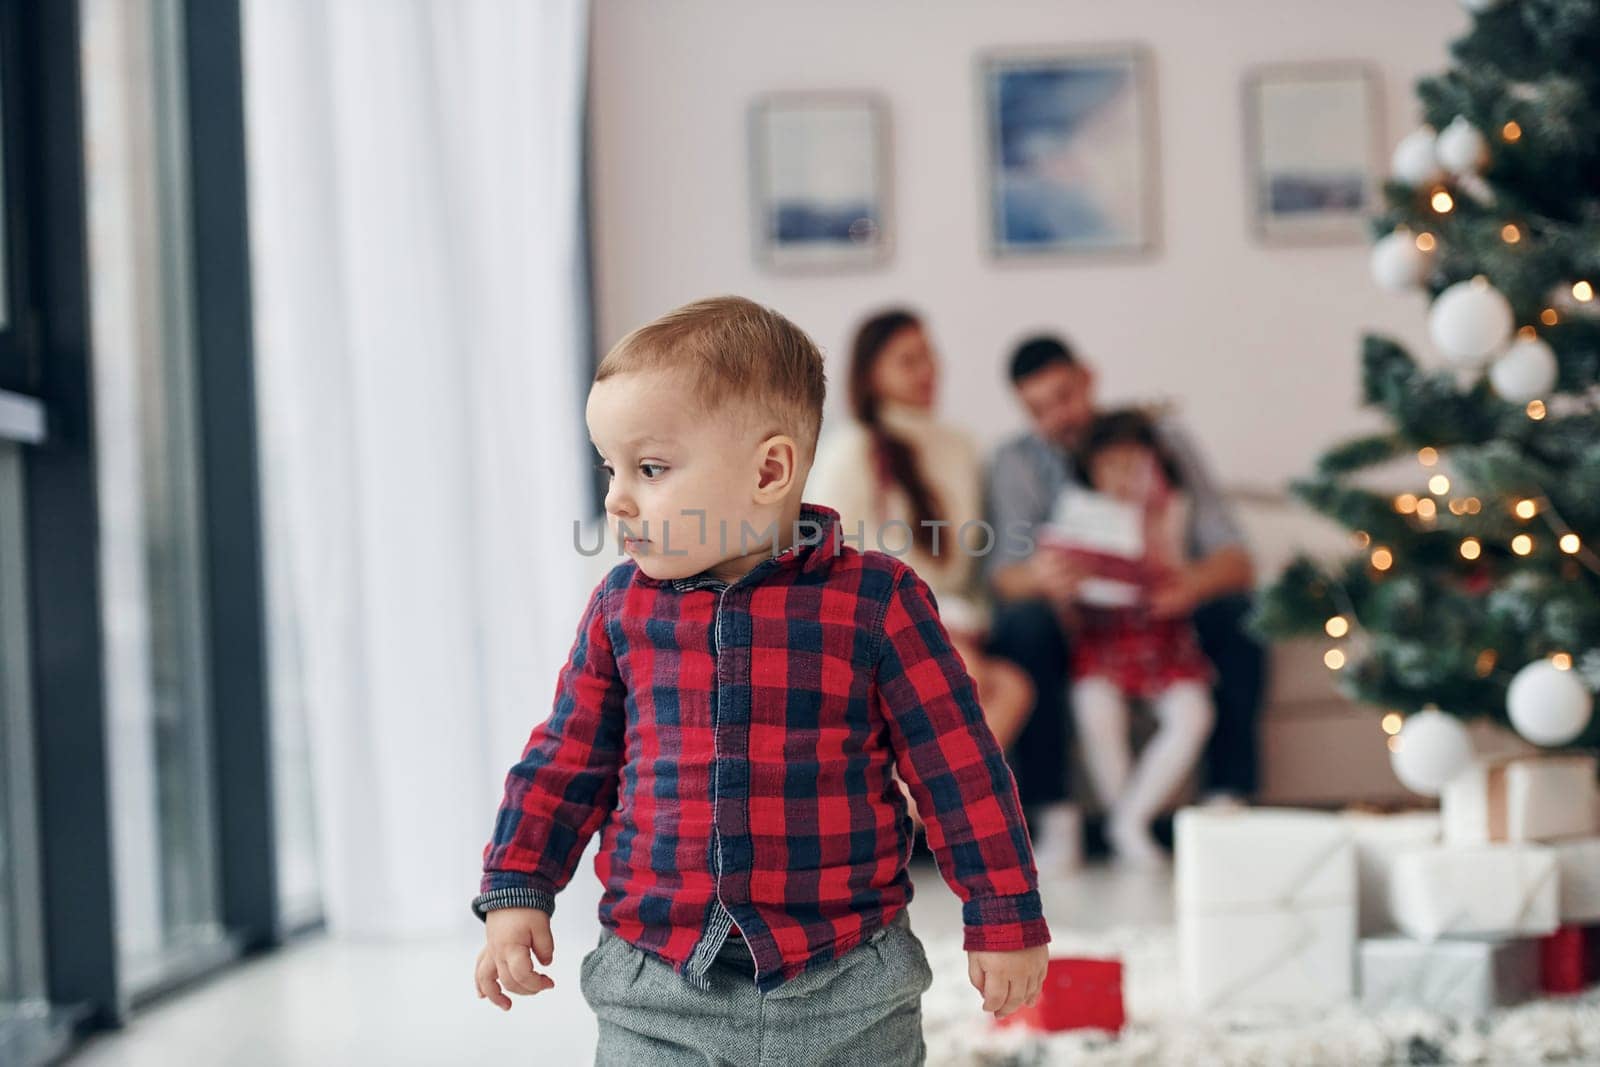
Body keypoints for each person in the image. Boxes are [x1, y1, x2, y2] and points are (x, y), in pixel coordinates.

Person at [471, 296, 1049, 1064]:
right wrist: (517, 884)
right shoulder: (619, 608)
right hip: (656, 987)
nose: (615, 497)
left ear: (769, 469)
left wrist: (1003, 916)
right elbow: (565, 761)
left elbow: (960, 772)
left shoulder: (877, 602)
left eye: (649, 468)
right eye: (610, 468)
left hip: (849, 987)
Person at [985, 335, 1265, 869]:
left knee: (1239, 612)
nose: (1057, 418)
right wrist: (1043, 577)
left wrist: (1190, 583)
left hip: (1165, 618)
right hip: (1080, 627)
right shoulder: (1016, 462)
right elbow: (1003, 578)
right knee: (1024, 624)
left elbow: (1234, 555)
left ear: (1089, 379)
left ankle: (1226, 802)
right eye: (1038, 409)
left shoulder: (1161, 444)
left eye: (1064, 396)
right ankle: (1056, 814)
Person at [807, 308, 1033, 755]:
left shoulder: (961, 445)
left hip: (952, 617)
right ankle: (936, 819)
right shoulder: (852, 449)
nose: (927, 372)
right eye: (908, 362)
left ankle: (916, 819)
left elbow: (972, 562)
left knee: (1013, 688)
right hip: (882, 616)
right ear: (872, 375)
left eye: (929, 357)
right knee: (975, 682)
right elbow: (818, 551)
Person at [1056, 409, 1216, 867]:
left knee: (1194, 714)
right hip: (1103, 641)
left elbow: (1188, 570)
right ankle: (1125, 820)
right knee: (1094, 708)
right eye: (1112, 466)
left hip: (1164, 641)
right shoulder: (1078, 511)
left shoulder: (1173, 509)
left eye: (1135, 464)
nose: (1125, 477)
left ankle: (1130, 818)